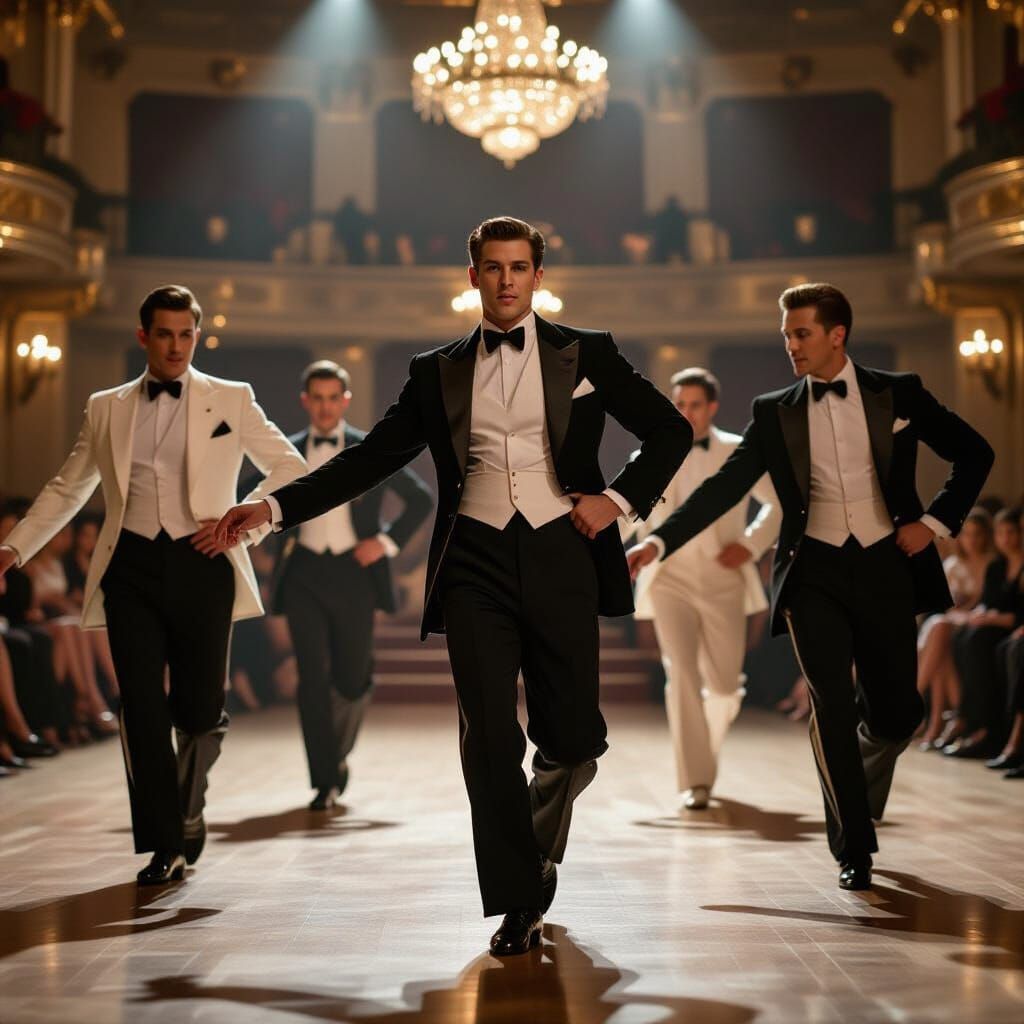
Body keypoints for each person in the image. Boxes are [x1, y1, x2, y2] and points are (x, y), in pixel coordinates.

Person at [215, 216, 692, 955]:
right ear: (472, 277)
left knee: (573, 739)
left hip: (565, 550)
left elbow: (668, 430)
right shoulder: (434, 371)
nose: (506, 280)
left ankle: (533, 844)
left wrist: (619, 499)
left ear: (538, 276)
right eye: (493, 268)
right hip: (473, 561)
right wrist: (274, 507)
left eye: (520, 267)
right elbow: (368, 459)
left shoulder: (585, 353)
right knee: (488, 733)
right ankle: (516, 898)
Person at [627, 282, 993, 891]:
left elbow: (974, 453)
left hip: (885, 564)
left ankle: (862, 779)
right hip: (812, 573)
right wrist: (658, 541)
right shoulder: (775, 411)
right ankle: (854, 846)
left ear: (836, 335)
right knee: (830, 703)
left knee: (898, 714)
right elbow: (725, 489)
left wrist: (932, 524)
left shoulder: (896, 393)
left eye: (801, 334)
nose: (791, 345)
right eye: (786, 335)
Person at [0, 285, 305, 885]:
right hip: (130, 570)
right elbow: (69, 488)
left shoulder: (231, 398)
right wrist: (15, 547)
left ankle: (188, 804)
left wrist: (242, 524)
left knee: (198, 709)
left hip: (204, 564)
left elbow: (290, 467)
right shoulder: (105, 405)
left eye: (185, 334)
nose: (175, 346)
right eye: (163, 334)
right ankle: (163, 843)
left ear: (197, 335)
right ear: (144, 337)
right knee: (139, 705)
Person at [274, 359, 433, 809]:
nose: (325, 408)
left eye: (333, 398)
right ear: (305, 402)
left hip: (354, 573)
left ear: (345, 400)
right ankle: (323, 778)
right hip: (302, 572)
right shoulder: (285, 451)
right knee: (311, 677)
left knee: (352, 676)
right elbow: (249, 495)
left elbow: (421, 499)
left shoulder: (369, 449)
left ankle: (335, 756)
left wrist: (384, 543)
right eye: (316, 399)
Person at [631, 367, 780, 810]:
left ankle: (705, 755)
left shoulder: (738, 450)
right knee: (681, 675)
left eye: (695, 404)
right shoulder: (652, 452)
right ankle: (695, 779)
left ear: (712, 407)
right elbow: (626, 510)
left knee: (723, 684)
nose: (687, 412)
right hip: (669, 579)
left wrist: (750, 545)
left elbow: (777, 505)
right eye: (679, 404)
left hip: (723, 580)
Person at [946, 509, 1024, 758]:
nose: (1005, 538)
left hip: (1010, 626)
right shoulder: (997, 566)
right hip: (997, 626)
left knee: (981, 642)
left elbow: (1017, 612)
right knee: (964, 638)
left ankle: (987, 730)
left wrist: (993, 617)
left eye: (1011, 531)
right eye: (1001, 532)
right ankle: (971, 721)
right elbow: (988, 603)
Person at [918, 507, 994, 749]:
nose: (971, 540)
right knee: (941, 636)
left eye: (977, 534)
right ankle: (936, 722)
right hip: (953, 625)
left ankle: (925, 713)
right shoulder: (952, 564)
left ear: (986, 536)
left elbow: (988, 603)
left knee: (940, 632)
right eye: (967, 534)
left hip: (972, 625)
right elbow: (947, 607)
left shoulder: (992, 564)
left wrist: (964, 611)